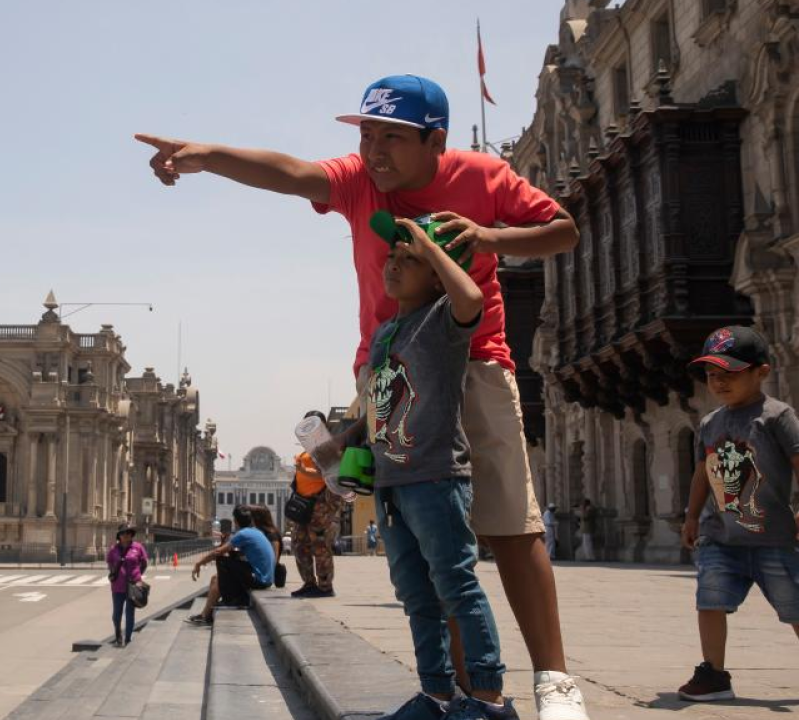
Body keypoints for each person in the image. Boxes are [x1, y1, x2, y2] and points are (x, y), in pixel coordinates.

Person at [137, 74, 588, 719]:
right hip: (390, 377)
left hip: (476, 362)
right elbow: (289, 172)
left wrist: (491, 239)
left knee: (512, 525)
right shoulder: (359, 182)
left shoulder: (484, 177)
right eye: (367, 133)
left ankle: (556, 680)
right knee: (429, 536)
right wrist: (207, 156)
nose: (374, 149)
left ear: (436, 139)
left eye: (392, 137)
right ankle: (463, 694)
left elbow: (563, 230)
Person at [356, 213, 513, 718]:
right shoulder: (385, 334)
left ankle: (488, 696)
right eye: (393, 256)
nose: (394, 265)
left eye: (410, 259)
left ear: (438, 270)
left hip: (437, 477)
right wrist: (342, 447)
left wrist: (428, 240)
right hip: (393, 483)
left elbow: (473, 301)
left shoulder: (444, 319)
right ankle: (436, 693)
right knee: (414, 593)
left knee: (456, 585)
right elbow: (378, 408)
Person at [677, 326, 799, 702]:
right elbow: (702, 471)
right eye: (713, 375)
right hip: (721, 537)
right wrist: (692, 516)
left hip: (773, 538)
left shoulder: (777, 416)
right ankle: (714, 674)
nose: (720, 382)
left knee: (794, 606)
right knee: (709, 601)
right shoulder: (710, 423)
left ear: (760, 372)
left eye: (730, 374)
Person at [186, 505, 274, 625]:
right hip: (266, 579)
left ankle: (229, 600)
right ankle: (205, 615)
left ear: (235, 521)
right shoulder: (256, 532)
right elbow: (240, 554)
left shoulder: (243, 534)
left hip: (259, 580)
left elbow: (218, 552)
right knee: (215, 579)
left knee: (221, 560)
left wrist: (199, 563)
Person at [291, 411, 347, 598]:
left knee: (320, 545)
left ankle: (325, 586)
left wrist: (302, 470)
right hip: (304, 505)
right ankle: (308, 583)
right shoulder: (308, 448)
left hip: (320, 505)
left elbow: (327, 475)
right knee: (299, 544)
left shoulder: (327, 448)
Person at [106, 524, 149, 647]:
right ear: (119, 536)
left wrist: (138, 576)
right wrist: (113, 572)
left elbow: (144, 563)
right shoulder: (113, 549)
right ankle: (118, 635)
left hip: (133, 585)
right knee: (116, 614)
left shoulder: (138, 547)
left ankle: (128, 638)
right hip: (117, 586)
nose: (126, 536)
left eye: (129, 533)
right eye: (124, 533)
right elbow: (109, 562)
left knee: (130, 612)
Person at [249, 504, 286, 588]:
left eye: (251, 516)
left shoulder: (271, 535)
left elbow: (273, 560)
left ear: (257, 518)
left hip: (264, 577)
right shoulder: (258, 532)